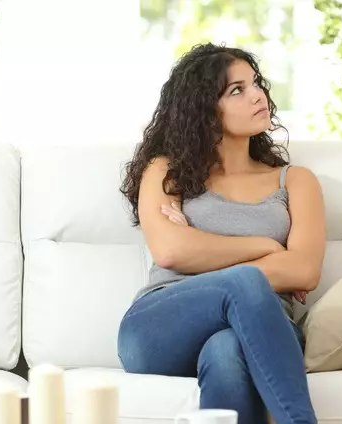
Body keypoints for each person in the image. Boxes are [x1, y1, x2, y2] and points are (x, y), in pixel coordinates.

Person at [117, 43, 325, 424]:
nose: (258, 95)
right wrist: (267, 247)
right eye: (237, 90)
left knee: (226, 350)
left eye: (255, 83)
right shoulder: (166, 171)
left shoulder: (295, 181)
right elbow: (170, 251)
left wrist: (203, 250)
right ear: (205, 110)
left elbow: (305, 270)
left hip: (265, 331)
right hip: (161, 325)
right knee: (246, 282)